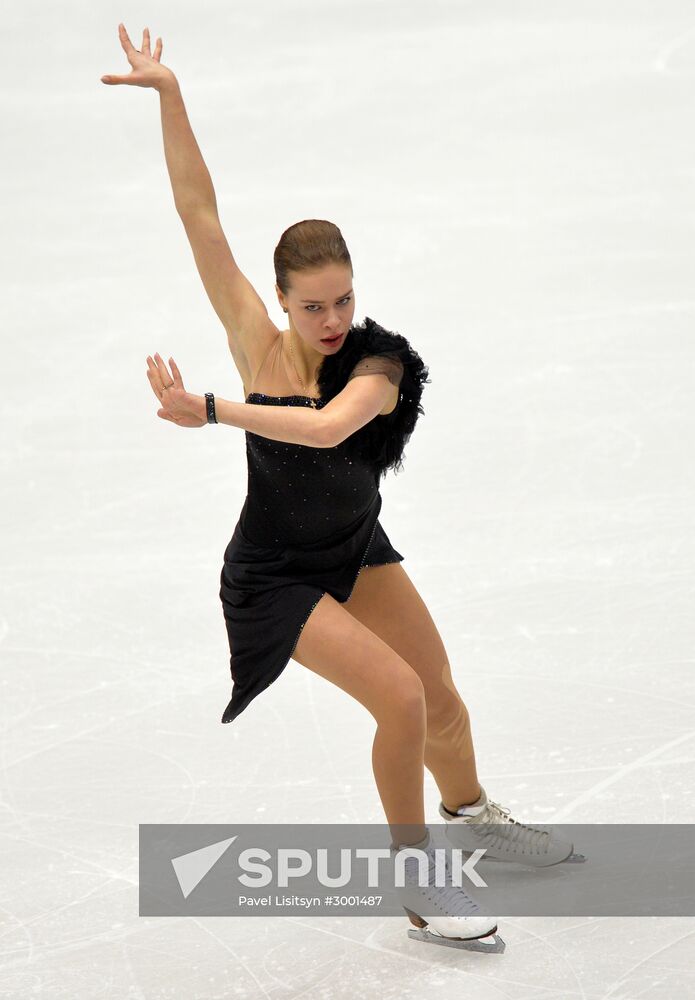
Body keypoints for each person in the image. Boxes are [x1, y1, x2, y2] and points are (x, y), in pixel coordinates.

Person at [102, 24, 581, 950]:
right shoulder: (253, 338)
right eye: (312, 304)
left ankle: (472, 812)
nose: (331, 320)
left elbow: (325, 429)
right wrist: (170, 95)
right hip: (275, 573)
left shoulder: (379, 360)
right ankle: (416, 889)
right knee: (399, 700)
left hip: (354, 551)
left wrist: (212, 409)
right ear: (280, 301)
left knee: (439, 695)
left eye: (343, 300)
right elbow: (199, 214)